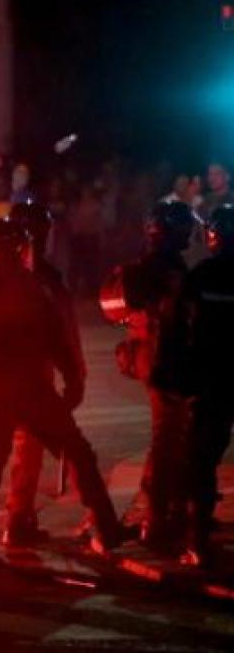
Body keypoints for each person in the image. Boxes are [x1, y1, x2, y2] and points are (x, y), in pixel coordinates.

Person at [0, 218, 133, 574]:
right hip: (29, 390)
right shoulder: (32, 289)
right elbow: (58, 339)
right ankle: (108, 527)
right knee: (76, 453)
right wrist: (73, 381)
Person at [99, 202, 196, 553]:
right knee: (167, 440)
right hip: (163, 361)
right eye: (184, 227)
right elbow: (173, 317)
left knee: (172, 437)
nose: (190, 233)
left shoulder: (152, 263)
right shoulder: (165, 267)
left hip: (152, 358)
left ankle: (170, 510)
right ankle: (156, 520)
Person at [0, 201, 86, 547]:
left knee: (2, 457)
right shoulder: (41, 278)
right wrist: (75, 373)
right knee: (40, 448)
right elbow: (65, 331)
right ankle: (18, 520)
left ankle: (14, 522)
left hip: (3, 380)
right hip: (29, 380)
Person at [152, 205, 234, 568]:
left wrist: (170, 371)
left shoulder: (201, 276)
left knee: (200, 459)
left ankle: (196, 541)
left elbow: (174, 328)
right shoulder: (197, 275)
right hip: (222, 377)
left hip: (211, 380)